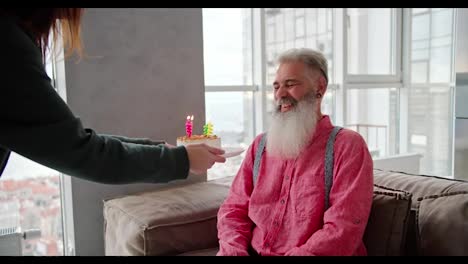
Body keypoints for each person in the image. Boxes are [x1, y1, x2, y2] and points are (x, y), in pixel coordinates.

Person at [0, 8, 226, 183]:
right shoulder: (9, 46)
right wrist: (181, 160)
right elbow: (83, 152)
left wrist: (162, 150)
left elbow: (77, 142)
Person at [216, 48, 374, 256]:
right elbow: (233, 210)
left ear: (320, 87)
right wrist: (233, 252)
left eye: (290, 84)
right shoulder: (260, 145)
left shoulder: (348, 146)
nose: (280, 94)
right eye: (276, 86)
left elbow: (343, 229)